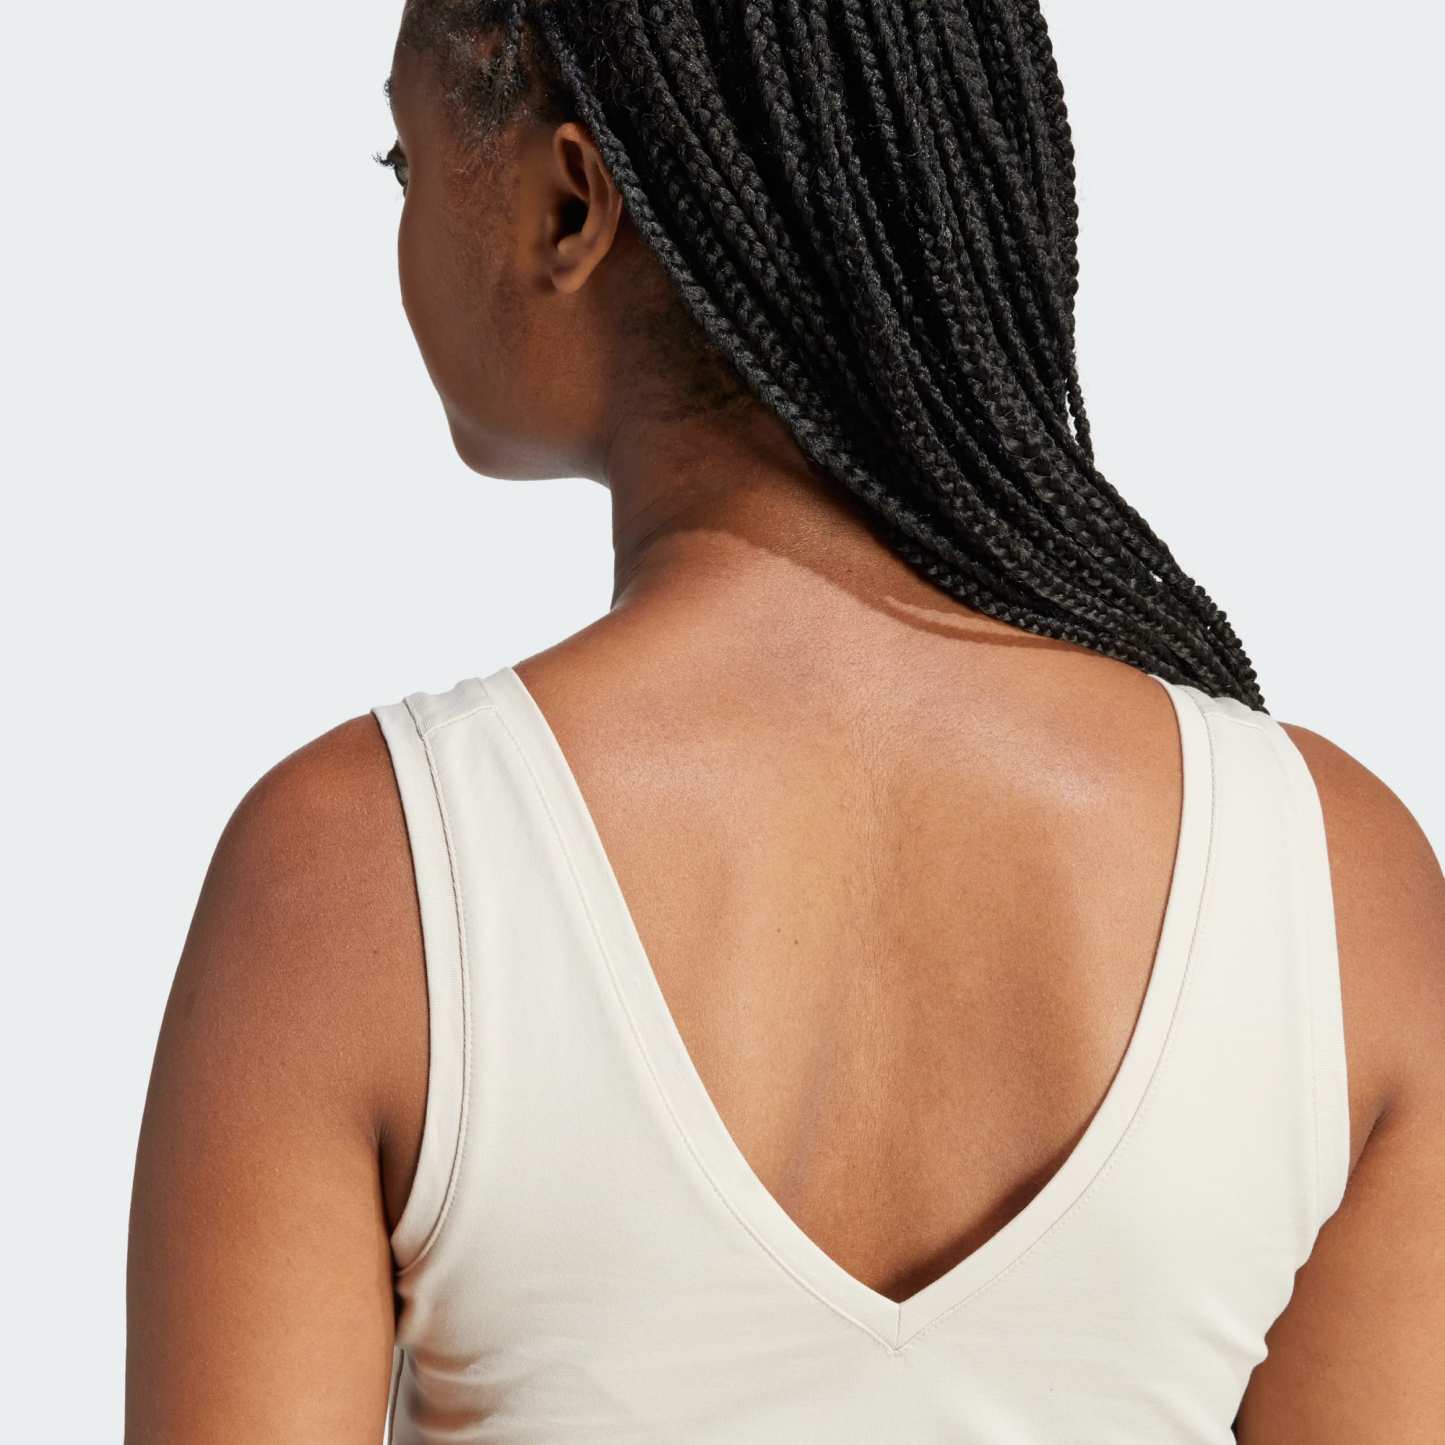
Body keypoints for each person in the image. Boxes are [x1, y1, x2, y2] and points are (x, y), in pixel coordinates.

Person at [125, 3, 1445, 1440]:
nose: (398, 220)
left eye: (404, 161)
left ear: (570, 206)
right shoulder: (1336, 887)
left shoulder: (353, 880)